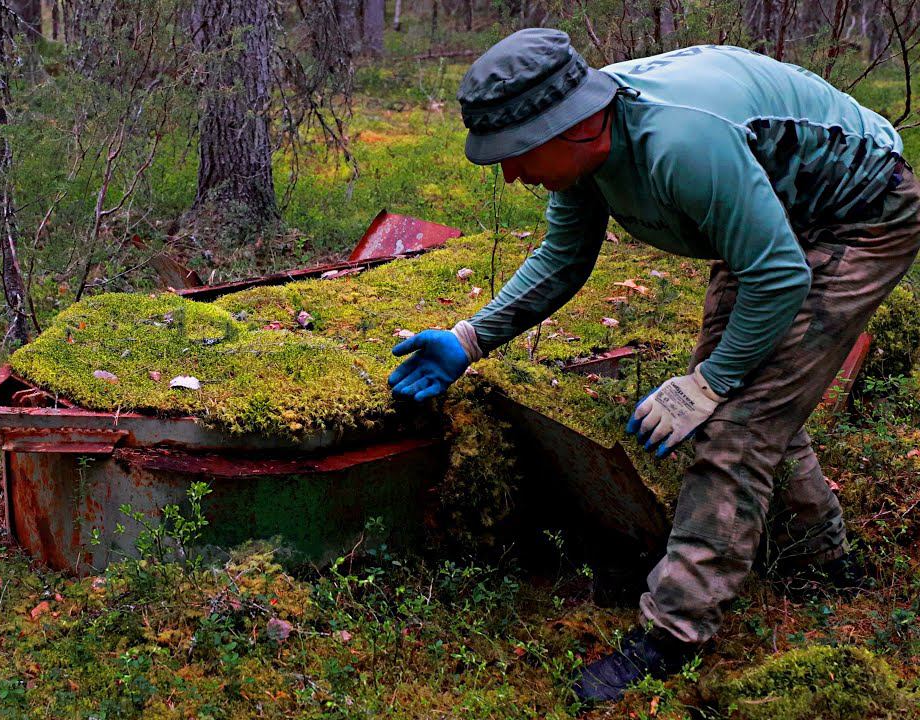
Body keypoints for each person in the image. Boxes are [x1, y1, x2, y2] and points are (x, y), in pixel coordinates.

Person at [388, 28, 920, 702]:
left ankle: (672, 635)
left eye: (516, 154)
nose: (511, 175)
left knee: (739, 420)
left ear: (568, 125)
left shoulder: (680, 145)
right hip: (773, 219)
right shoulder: (589, 145)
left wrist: (710, 384)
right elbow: (562, 257)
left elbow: (780, 277)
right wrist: (468, 340)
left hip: (859, 216)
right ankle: (825, 558)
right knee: (755, 393)